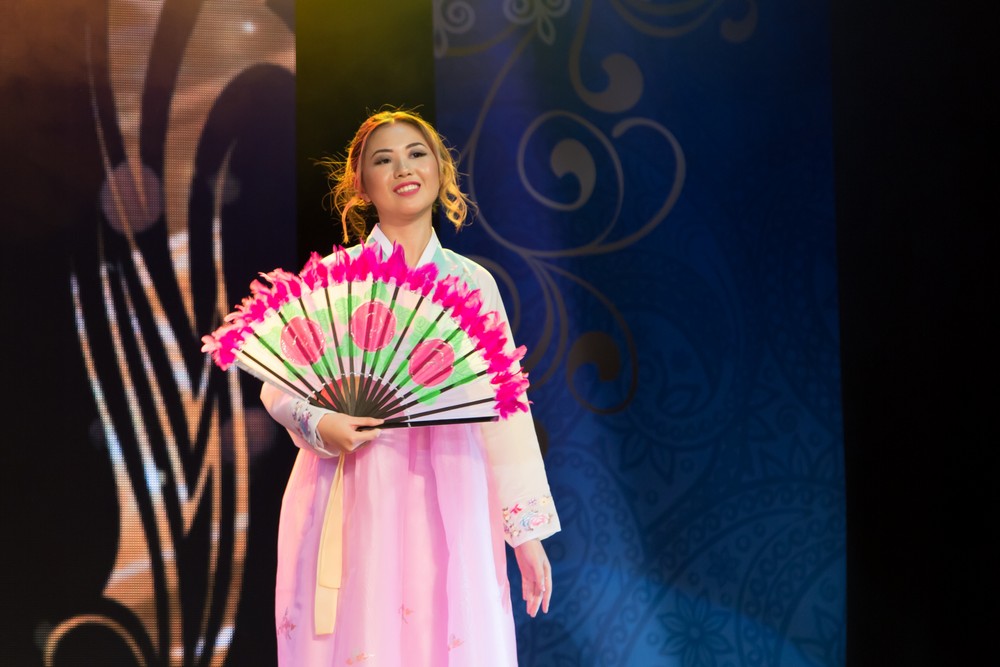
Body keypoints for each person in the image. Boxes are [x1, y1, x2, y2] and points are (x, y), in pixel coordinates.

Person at [260, 108, 561, 666]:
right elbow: (277, 386)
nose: (403, 168)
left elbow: (504, 411)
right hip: (356, 479)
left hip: (454, 483)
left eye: (417, 153)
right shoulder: (335, 281)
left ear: (441, 169)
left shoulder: (473, 283)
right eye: (384, 159)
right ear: (361, 184)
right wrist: (322, 422)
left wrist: (525, 534)